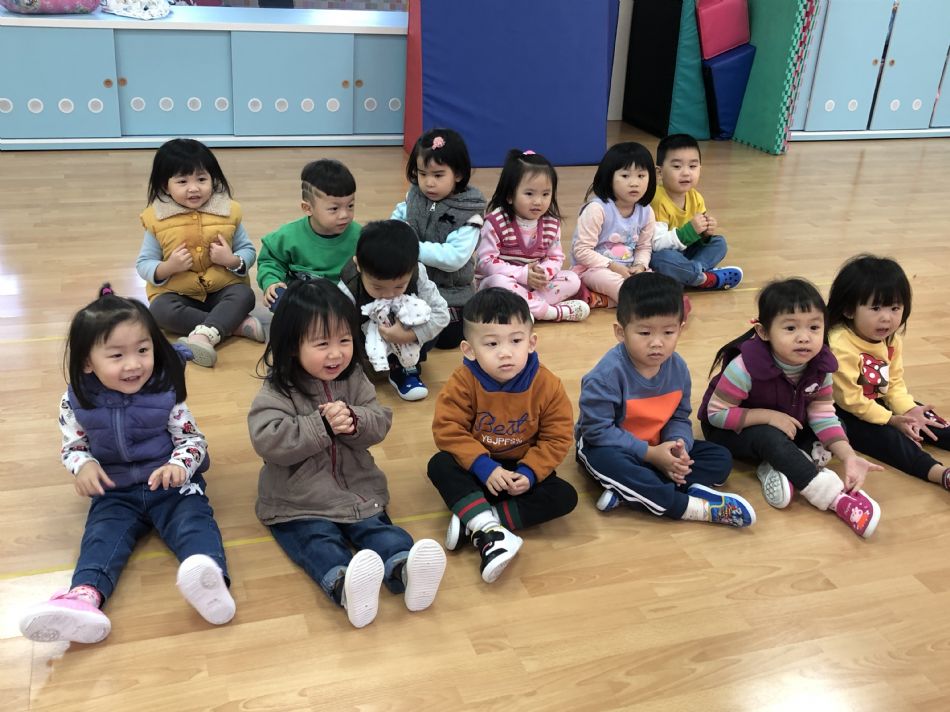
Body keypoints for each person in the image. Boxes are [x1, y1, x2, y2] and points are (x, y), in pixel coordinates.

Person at [19, 285, 235, 644]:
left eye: (143, 350)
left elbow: (193, 440)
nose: (134, 364)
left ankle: (212, 584)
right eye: (117, 355)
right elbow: (73, 446)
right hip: (115, 490)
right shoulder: (76, 401)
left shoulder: (165, 390)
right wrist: (83, 465)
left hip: (170, 485)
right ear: (87, 362)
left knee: (195, 524)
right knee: (101, 539)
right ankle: (84, 599)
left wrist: (179, 466)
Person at [247, 279, 446, 628]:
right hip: (299, 500)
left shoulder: (354, 378)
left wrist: (355, 420)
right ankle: (344, 585)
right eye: (322, 344)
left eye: (344, 340)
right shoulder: (279, 390)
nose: (336, 353)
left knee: (379, 530)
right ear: (292, 346)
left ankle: (405, 569)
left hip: (357, 489)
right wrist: (320, 427)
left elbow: (379, 421)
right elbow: (267, 440)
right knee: (316, 542)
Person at [699, 278, 883, 538]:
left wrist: (849, 456)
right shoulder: (745, 366)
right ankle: (834, 498)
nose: (804, 337)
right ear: (763, 332)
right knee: (769, 437)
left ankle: (777, 465)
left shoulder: (820, 366)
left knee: (838, 425)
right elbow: (716, 414)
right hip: (730, 429)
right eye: (790, 328)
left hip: (787, 423)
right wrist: (768, 417)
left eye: (814, 327)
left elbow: (822, 414)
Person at [576, 272, 756, 528]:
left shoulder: (678, 368)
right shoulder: (606, 377)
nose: (657, 343)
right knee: (607, 461)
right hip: (613, 447)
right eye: (645, 332)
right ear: (620, 332)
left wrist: (677, 447)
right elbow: (596, 431)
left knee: (720, 459)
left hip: (657, 445)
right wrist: (650, 454)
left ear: (680, 329)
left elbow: (679, 416)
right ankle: (689, 507)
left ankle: (634, 492)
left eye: (668, 332)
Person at [427, 288, 578, 583]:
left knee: (564, 497)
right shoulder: (463, 381)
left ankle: (480, 522)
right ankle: (485, 525)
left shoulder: (547, 385)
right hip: (478, 469)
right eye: (492, 344)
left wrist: (530, 473)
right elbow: (448, 429)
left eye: (516, 341)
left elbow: (557, 438)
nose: (505, 352)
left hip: (519, 470)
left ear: (532, 342)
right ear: (469, 350)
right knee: (440, 464)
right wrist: (484, 467)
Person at [135, 138, 262, 368]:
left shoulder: (228, 211)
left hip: (221, 289)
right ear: (165, 186)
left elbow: (248, 250)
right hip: (178, 293)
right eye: (182, 181)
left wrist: (232, 260)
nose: (193, 188)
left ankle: (202, 335)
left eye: (202, 179)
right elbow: (144, 263)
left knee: (245, 295)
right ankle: (232, 325)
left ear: (213, 179)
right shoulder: (157, 218)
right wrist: (168, 267)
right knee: (159, 311)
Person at [827, 254, 950, 488]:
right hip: (843, 412)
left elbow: (893, 383)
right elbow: (851, 400)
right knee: (890, 441)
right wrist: (891, 420)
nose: (886, 318)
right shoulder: (839, 345)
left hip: (875, 400)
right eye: (875, 308)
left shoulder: (891, 340)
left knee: (927, 420)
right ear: (849, 310)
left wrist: (909, 409)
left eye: (895, 308)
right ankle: (941, 474)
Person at [393, 128, 486, 349]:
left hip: (451, 293)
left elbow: (454, 257)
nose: (429, 183)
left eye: (438, 175)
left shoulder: (469, 212)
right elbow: (396, 220)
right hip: (413, 287)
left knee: (448, 338)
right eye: (422, 174)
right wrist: (395, 233)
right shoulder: (415, 196)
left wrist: (410, 247)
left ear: (458, 174)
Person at [338, 220, 450, 401]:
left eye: (399, 286)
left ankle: (405, 368)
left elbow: (441, 314)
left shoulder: (417, 273)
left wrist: (410, 335)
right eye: (378, 287)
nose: (389, 294)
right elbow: (338, 328)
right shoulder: (348, 287)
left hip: (408, 332)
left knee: (432, 325)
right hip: (365, 334)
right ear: (358, 265)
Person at [476, 149, 589, 322]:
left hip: (534, 284)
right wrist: (522, 274)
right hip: (502, 283)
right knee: (497, 282)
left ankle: (522, 308)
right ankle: (553, 312)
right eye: (529, 194)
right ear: (510, 195)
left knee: (572, 279)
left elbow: (556, 257)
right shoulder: (496, 222)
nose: (538, 201)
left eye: (545, 194)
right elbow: (486, 262)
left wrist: (543, 273)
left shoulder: (551, 223)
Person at [257, 159, 360, 312]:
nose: (345, 215)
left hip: (343, 300)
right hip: (303, 300)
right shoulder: (288, 236)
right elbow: (270, 261)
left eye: (350, 205)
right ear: (307, 208)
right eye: (334, 208)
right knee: (277, 299)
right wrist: (271, 282)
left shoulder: (360, 236)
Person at [650, 133, 742, 290]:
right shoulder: (657, 200)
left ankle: (688, 275)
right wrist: (689, 231)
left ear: (700, 169)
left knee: (719, 243)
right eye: (677, 167)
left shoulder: (696, 197)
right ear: (659, 172)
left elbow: (698, 237)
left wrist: (706, 233)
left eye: (692, 166)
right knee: (661, 259)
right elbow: (656, 244)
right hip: (666, 254)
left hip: (685, 254)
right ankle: (703, 279)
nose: (686, 172)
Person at [571, 142, 657, 308]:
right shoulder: (597, 209)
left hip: (629, 269)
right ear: (609, 177)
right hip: (594, 269)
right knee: (610, 280)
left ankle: (604, 300)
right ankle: (642, 306)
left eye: (641, 176)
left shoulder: (647, 212)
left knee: (654, 279)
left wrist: (640, 266)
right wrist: (614, 267)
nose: (634, 183)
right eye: (625, 176)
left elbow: (644, 247)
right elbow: (581, 251)